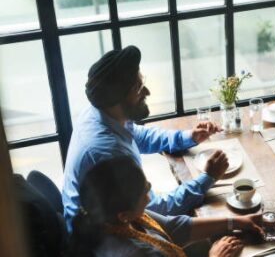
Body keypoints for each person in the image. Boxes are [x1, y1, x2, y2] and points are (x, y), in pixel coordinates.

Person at [67, 156, 260, 257]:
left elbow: (174, 227)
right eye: (144, 192)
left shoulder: (108, 220)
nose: (149, 195)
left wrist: (235, 222)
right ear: (123, 214)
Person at [62, 45, 225, 232]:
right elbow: (152, 211)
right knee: (222, 227)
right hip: (105, 246)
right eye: (138, 88)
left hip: (121, 225)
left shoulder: (103, 112)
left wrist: (188, 137)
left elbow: (140, 136)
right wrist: (207, 178)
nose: (147, 91)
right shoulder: (109, 154)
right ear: (118, 98)